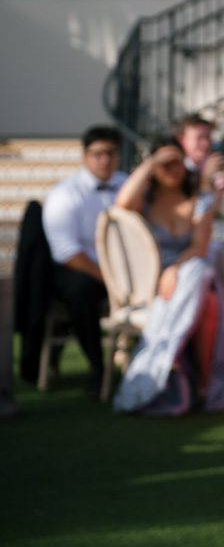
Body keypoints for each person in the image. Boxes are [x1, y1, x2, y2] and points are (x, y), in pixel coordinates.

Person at [112, 141, 224, 415]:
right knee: (204, 295)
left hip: (186, 276)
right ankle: (190, 379)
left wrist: (174, 269)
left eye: (178, 162)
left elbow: (199, 246)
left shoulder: (200, 200)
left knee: (198, 277)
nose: (173, 169)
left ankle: (200, 381)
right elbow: (122, 202)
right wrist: (152, 162)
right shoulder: (145, 203)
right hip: (152, 285)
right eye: (166, 163)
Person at [41, 125, 126, 390]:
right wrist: (108, 279)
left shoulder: (127, 185)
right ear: (85, 156)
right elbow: (66, 252)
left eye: (110, 153)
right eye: (97, 153)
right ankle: (97, 368)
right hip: (81, 269)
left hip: (123, 270)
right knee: (81, 292)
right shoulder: (64, 194)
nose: (104, 160)